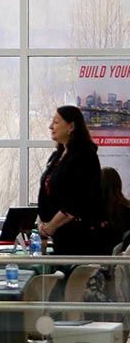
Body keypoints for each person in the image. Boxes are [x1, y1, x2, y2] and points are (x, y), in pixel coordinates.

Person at [37, 106, 110, 258]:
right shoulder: (57, 155)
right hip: (60, 237)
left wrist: (52, 226)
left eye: (56, 122)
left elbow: (77, 200)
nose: (51, 126)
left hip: (81, 238)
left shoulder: (85, 155)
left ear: (71, 126)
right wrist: (43, 222)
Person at [102, 167, 130, 249]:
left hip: (96, 256)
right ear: (119, 184)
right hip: (121, 255)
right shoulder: (126, 208)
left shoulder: (94, 210)